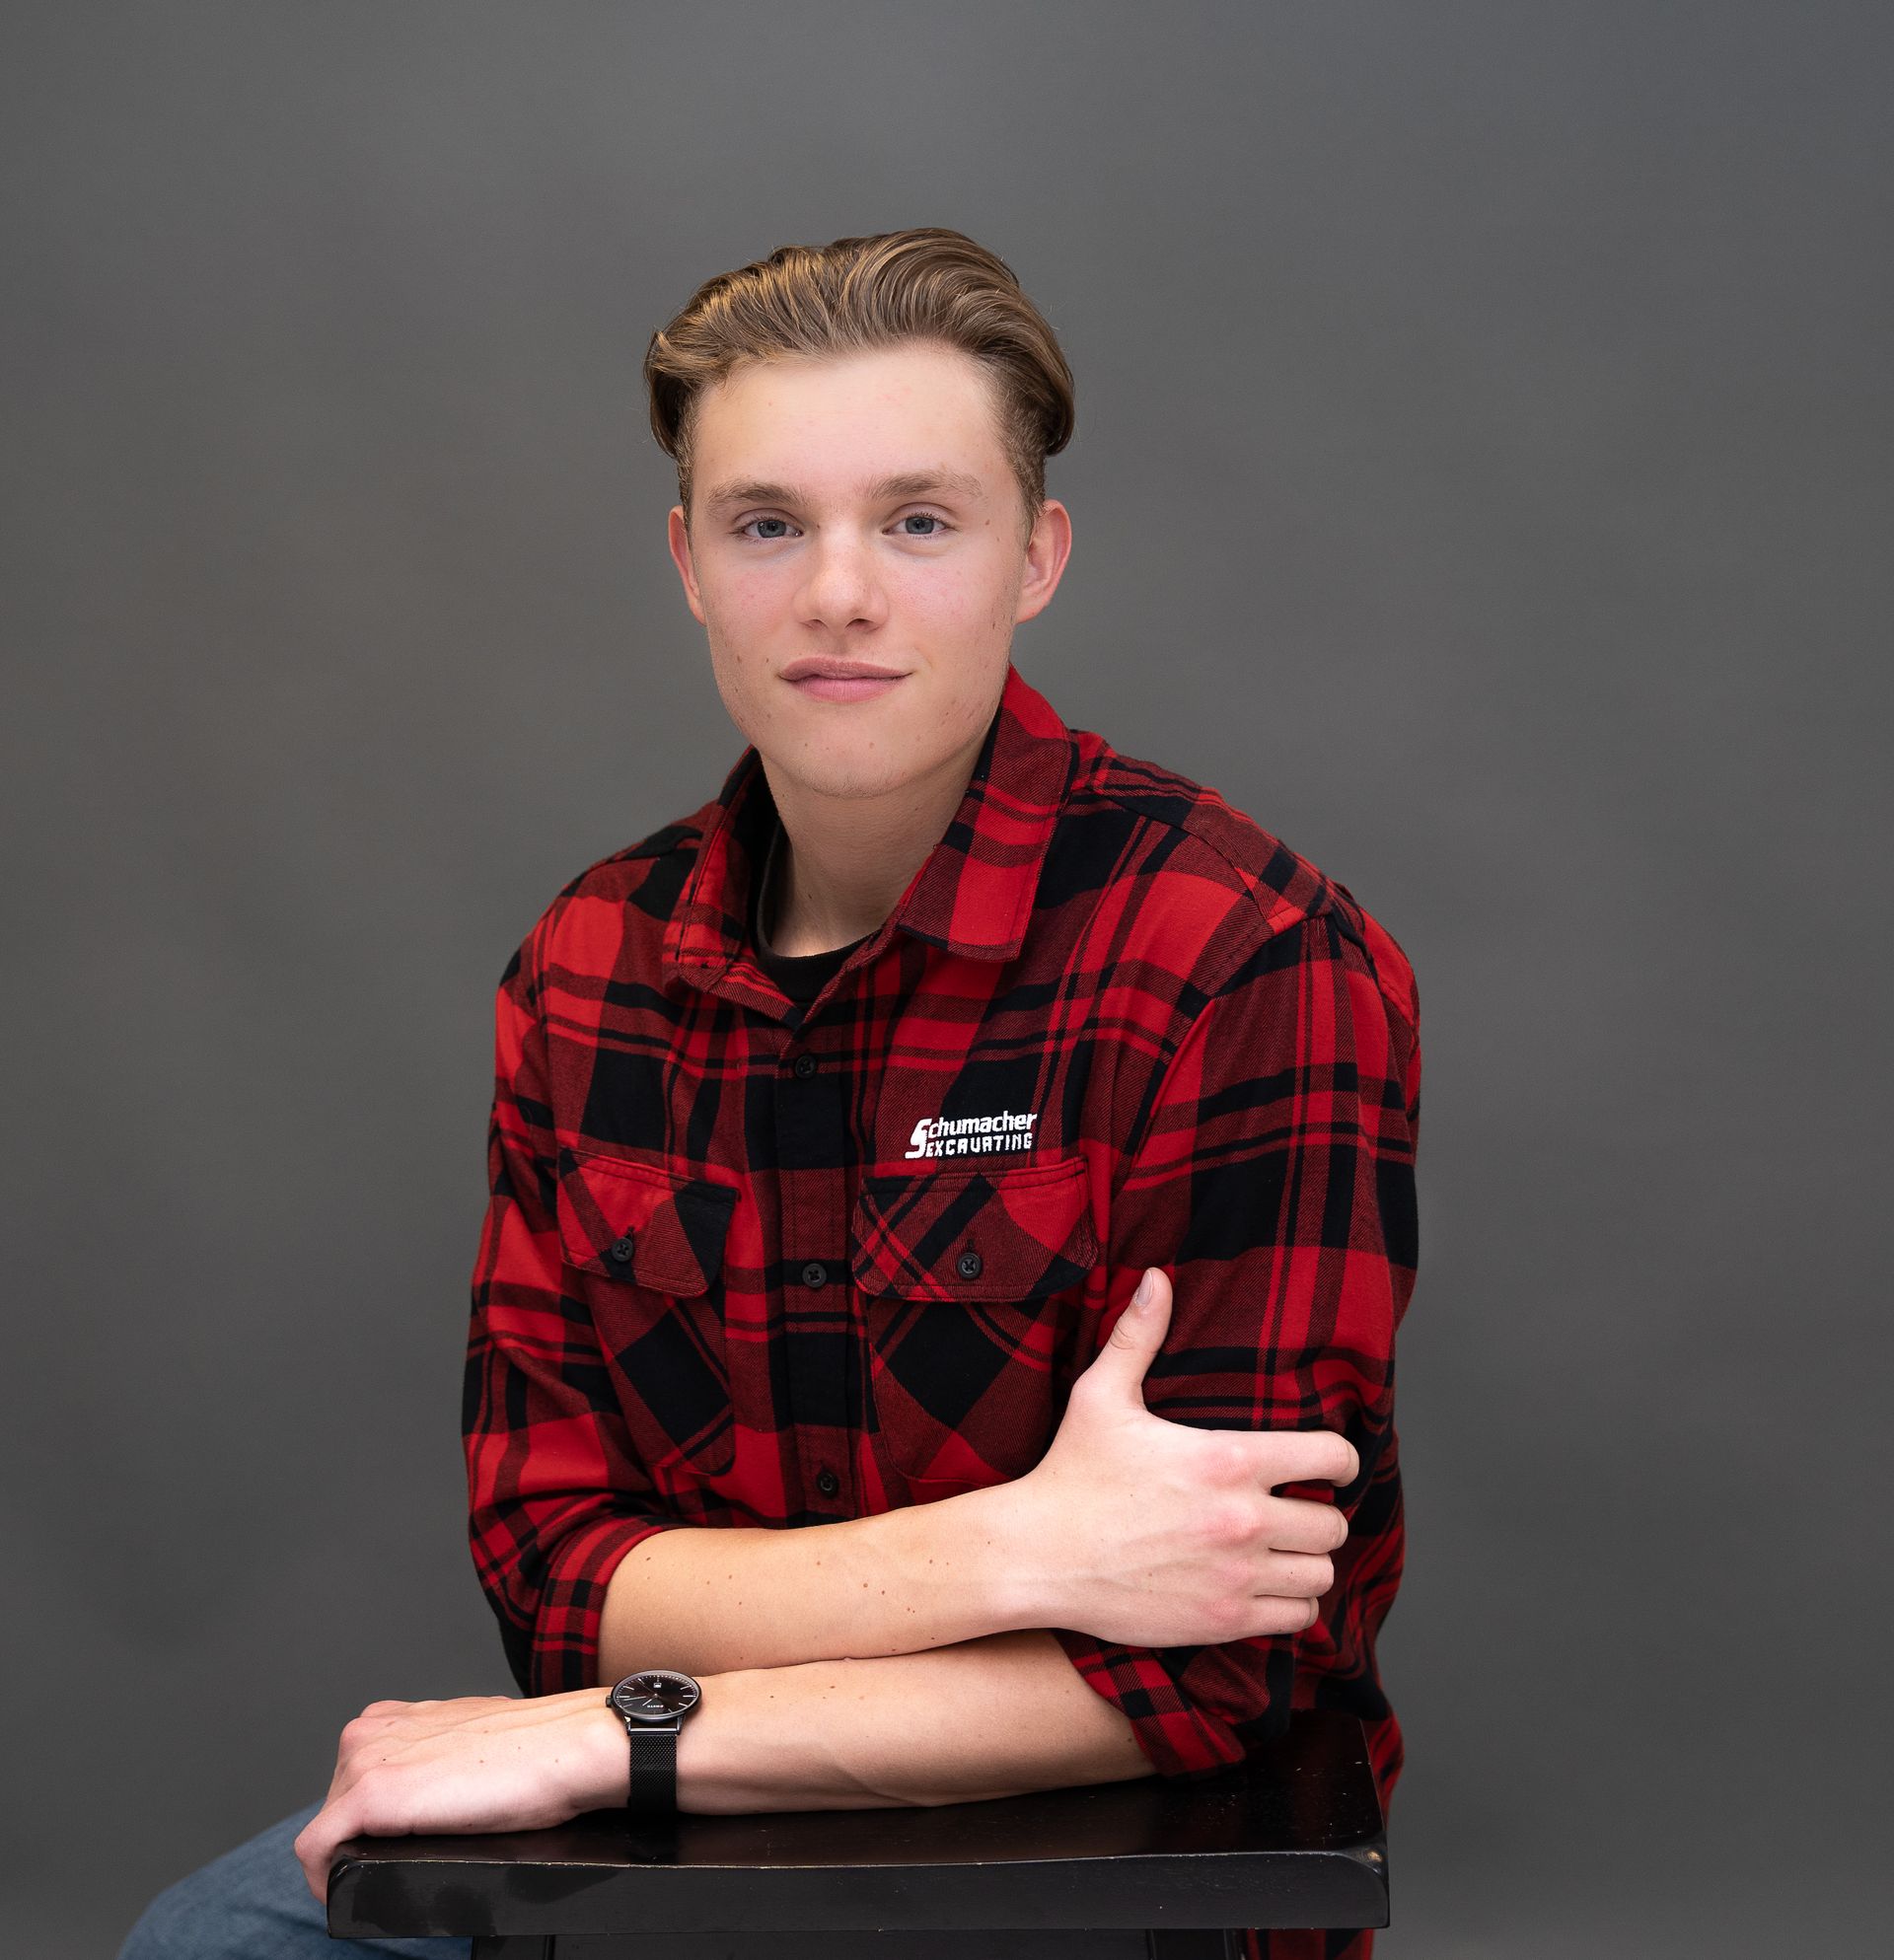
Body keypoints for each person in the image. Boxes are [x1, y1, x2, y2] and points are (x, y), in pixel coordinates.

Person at [121, 228, 1420, 1960]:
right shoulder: (584, 969)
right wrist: (1021, 1550)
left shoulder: (1241, 956)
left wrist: (624, 1728)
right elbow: (556, 1572)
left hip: (1108, 1879)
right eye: (767, 524)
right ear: (687, 562)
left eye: (920, 519)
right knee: (211, 1948)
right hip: (687, 1864)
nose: (838, 594)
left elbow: (1218, 1660)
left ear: (1036, 555)